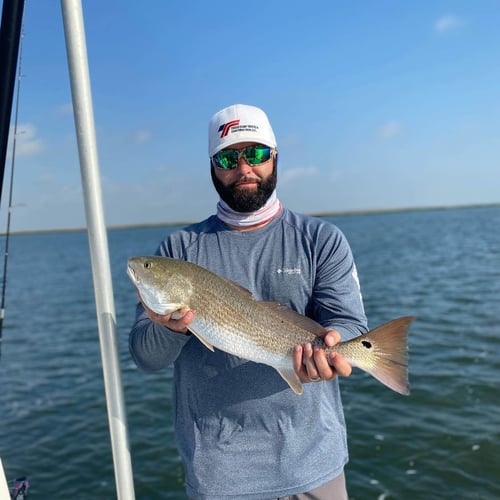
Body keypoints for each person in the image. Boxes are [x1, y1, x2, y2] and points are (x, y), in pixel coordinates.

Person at [129, 104, 368, 500]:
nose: (244, 169)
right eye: (228, 157)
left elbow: (350, 324)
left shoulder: (321, 239)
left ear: (275, 158)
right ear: (212, 166)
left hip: (314, 466)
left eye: (256, 154)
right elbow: (145, 357)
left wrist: (332, 348)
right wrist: (167, 328)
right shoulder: (179, 249)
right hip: (219, 475)